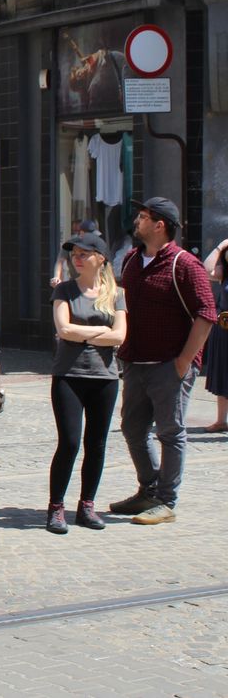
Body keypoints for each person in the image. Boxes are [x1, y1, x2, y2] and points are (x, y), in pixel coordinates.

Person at [111, 197, 215, 525]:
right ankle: (149, 489)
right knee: (132, 428)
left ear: (160, 225)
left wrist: (185, 360)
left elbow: (207, 314)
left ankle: (166, 501)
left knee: (170, 432)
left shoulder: (183, 263)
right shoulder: (130, 260)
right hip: (135, 362)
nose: (136, 221)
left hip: (169, 365)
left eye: (143, 217)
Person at [48, 231, 127, 533]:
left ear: (101, 258)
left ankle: (87, 506)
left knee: (96, 444)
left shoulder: (116, 294)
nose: (76, 258)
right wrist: (99, 334)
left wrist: (83, 333)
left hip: (105, 377)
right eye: (74, 254)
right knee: (68, 442)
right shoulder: (65, 291)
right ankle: (56, 507)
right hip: (69, 375)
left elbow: (120, 336)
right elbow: (64, 330)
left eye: (84, 254)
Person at [200, 235, 228, 433]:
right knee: (223, 373)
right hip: (224, 328)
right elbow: (206, 269)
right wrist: (221, 245)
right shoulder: (224, 273)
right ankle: (221, 420)